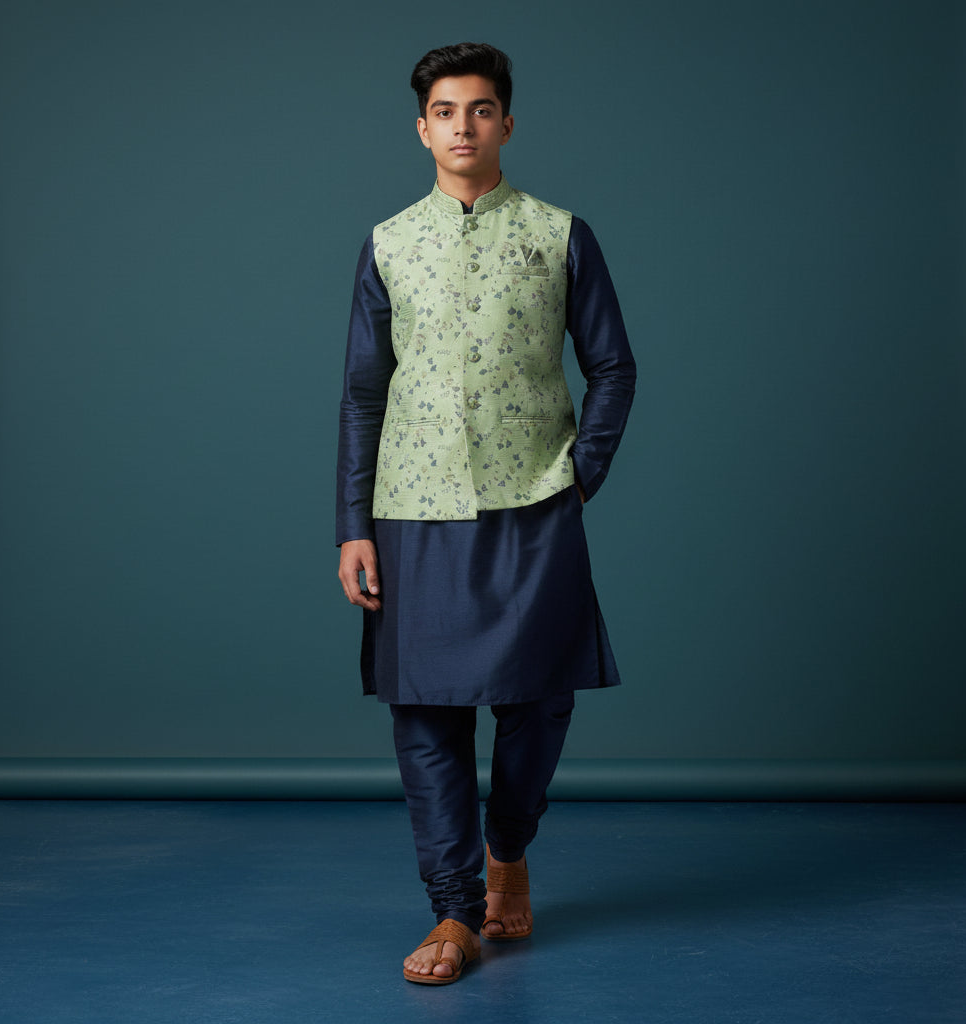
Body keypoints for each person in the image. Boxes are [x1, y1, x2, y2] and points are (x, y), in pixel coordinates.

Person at [336, 41, 636, 985]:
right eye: (445, 111)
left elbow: (613, 365)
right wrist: (353, 525)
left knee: (539, 699)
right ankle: (453, 911)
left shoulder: (559, 234)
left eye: (480, 110)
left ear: (507, 123)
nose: (462, 126)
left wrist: (579, 472)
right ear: (421, 129)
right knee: (423, 711)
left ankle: (509, 846)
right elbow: (363, 394)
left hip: (534, 499)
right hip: (412, 509)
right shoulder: (388, 243)